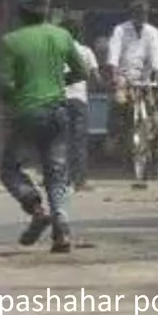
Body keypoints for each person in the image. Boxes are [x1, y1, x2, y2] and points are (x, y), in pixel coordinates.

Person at [0, 0, 89, 254]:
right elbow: (82, 72)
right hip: (58, 112)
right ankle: (62, 229)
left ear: (21, 8)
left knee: (9, 168)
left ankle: (35, 207)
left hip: (26, 114)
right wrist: (58, 81)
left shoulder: (11, 42)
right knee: (57, 172)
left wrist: (1, 94)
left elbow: (4, 85)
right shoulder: (62, 37)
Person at [104, 0, 158, 172]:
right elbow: (113, 55)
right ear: (132, 14)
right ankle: (114, 136)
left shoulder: (154, 32)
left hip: (144, 77)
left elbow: (156, 57)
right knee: (120, 103)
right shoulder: (120, 30)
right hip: (124, 75)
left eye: (144, 14)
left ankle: (150, 146)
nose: (141, 17)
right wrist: (115, 76)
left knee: (152, 111)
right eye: (138, 13)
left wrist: (157, 77)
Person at [56, 18, 96, 189]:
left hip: (59, 99)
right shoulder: (86, 51)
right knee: (78, 140)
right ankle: (79, 180)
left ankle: (58, 178)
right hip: (79, 100)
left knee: (60, 140)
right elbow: (94, 75)